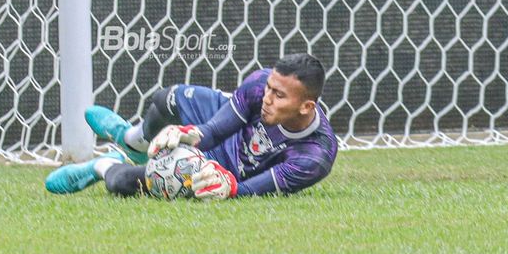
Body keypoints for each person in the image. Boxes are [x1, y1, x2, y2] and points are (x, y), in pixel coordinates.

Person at [45, 53, 338, 199]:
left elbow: (250, 189)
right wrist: (189, 134)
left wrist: (229, 186)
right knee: (166, 99)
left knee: (124, 183)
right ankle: (134, 141)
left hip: (228, 169)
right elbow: (215, 130)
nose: (267, 98)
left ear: (306, 107)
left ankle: (102, 166)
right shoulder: (260, 86)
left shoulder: (314, 156)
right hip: (230, 131)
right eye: (269, 88)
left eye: (279, 95)